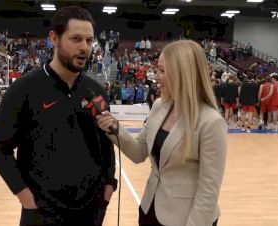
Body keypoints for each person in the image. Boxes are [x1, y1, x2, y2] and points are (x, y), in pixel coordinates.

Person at [0, 6, 117, 226]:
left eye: (88, 40)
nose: (84, 47)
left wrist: (108, 187)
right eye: (76, 39)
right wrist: (25, 197)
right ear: (54, 39)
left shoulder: (96, 91)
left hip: (90, 211)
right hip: (42, 212)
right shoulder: (24, 89)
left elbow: (106, 144)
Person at [97, 40, 227, 226]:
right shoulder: (159, 106)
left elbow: (209, 191)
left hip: (184, 219)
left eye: (163, 71)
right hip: (150, 209)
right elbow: (139, 152)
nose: (156, 76)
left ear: (184, 74)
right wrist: (114, 128)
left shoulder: (211, 122)